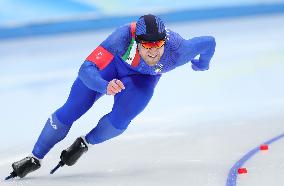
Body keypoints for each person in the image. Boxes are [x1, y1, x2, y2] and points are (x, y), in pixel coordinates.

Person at [6, 14, 216, 179]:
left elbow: (209, 42)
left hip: (142, 80)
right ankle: (35, 156)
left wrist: (202, 64)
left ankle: (84, 143)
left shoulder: (179, 51)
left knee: (121, 119)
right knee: (73, 108)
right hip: (110, 69)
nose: (153, 52)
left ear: (165, 42)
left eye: (158, 46)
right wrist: (104, 86)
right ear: (137, 41)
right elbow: (86, 69)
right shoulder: (122, 37)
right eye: (147, 46)